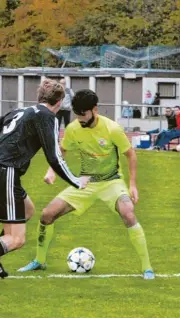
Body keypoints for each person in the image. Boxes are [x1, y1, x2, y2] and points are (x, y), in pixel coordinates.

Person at [0, 79, 90, 292]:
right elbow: (54, 157)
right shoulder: (47, 117)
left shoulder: (18, 112)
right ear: (59, 102)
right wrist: (76, 181)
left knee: (28, 210)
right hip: (5, 172)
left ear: (40, 97)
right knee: (17, 239)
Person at [18, 89, 155, 280]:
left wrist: (132, 185)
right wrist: (51, 172)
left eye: (84, 114)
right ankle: (40, 261)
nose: (81, 118)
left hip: (111, 182)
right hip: (85, 182)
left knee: (128, 212)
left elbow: (130, 154)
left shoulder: (112, 129)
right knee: (47, 215)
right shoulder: (74, 129)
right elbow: (62, 150)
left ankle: (147, 268)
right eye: (77, 114)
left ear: (95, 109)